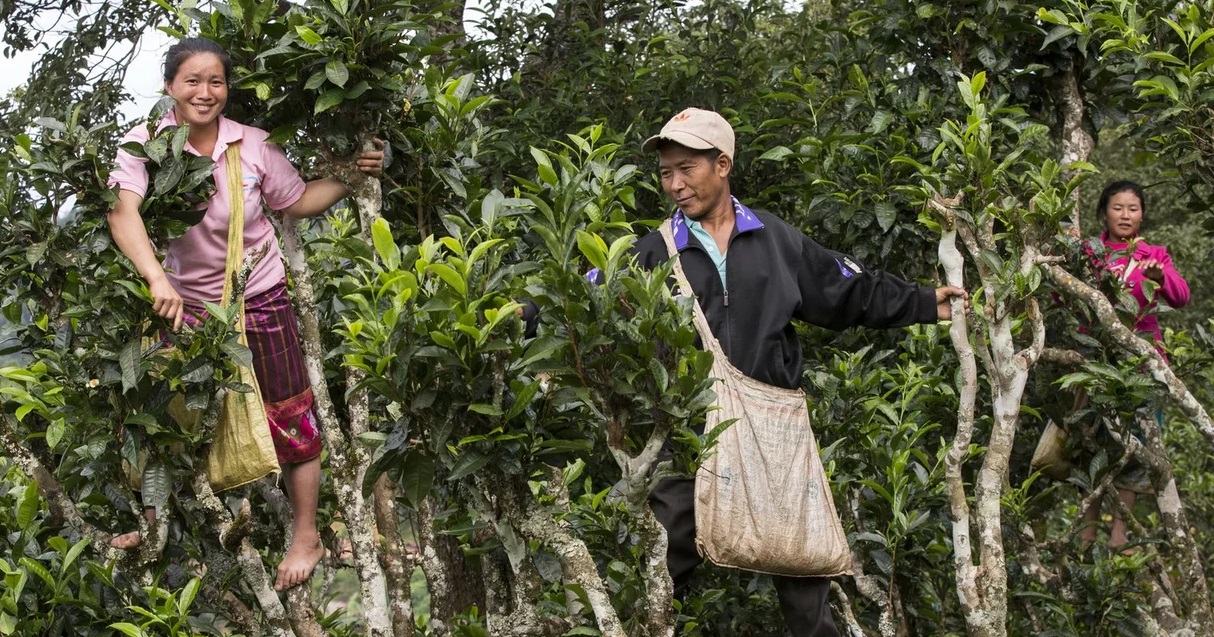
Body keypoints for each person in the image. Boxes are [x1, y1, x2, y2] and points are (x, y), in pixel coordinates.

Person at [636, 107, 967, 636]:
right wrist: (524, 316)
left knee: (802, 571)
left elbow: (846, 290)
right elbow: (594, 292)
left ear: (722, 165)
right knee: (663, 561)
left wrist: (926, 303)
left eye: (686, 169)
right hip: (689, 431)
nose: (674, 184)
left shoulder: (773, 238)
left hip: (772, 430)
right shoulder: (655, 250)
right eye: (665, 172)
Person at [106, 37, 384, 591]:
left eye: (215, 81)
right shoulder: (146, 146)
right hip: (182, 302)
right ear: (169, 87)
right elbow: (122, 212)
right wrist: (156, 279)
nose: (204, 92)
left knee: (290, 409)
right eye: (191, 81)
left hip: (258, 295)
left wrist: (355, 172)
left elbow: (296, 201)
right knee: (163, 415)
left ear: (227, 88)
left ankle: (306, 533)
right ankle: (153, 519)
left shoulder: (253, 146)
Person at [1078, 180, 1189, 551]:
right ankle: (1085, 533)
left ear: (1142, 214)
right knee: (1094, 441)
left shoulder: (1154, 254)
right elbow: (1066, 297)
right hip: (1098, 357)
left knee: (1139, 443)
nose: (1125, 215)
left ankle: (1120, 537)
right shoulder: (1090, 253)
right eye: (1117, 208)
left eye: (1133, 208)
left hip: (1142, 361)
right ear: (1104, 212)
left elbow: (1181, 297)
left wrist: (1160, 278)